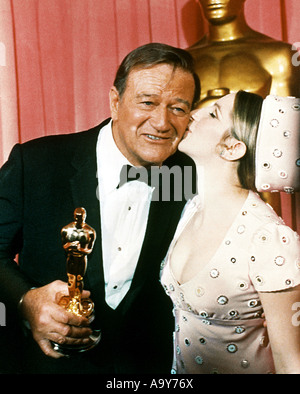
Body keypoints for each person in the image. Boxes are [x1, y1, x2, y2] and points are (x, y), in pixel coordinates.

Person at [0, 42, 200, 374]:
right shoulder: (37, 163)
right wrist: (26, 301)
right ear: (115, 101)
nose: (162, 122)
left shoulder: (185, 173)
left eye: (178, 108)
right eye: (147, 102)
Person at [160, 91, 300, 374]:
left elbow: (291, 362)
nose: (193, 114)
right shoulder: (190, 209)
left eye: (212, 114)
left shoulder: (269, 238)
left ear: (233, 147)